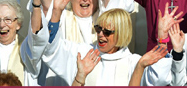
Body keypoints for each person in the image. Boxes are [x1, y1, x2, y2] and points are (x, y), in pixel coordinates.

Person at [41, 7, 173, 86]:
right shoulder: (85, 54)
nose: (100, 35)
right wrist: (56, 11)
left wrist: (162, 40)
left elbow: (159, 79)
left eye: (107, 32)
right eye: (98, 29)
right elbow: (52, 49)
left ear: (121, 33)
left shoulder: (134, 62)